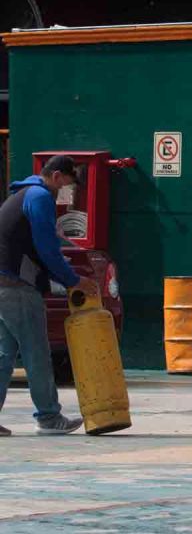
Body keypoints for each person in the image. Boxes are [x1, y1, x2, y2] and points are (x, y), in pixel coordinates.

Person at [0, 155, 96, 436]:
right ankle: (49, 417)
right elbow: (47, 249)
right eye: (66, 184)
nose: (65, 190)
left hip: (4, 284)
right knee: (37, 352)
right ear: (56, 176)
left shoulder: (21, 194)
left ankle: (48, 415)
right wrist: (73, 280)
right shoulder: (40, 196)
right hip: (17, 286)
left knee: (4, 354)